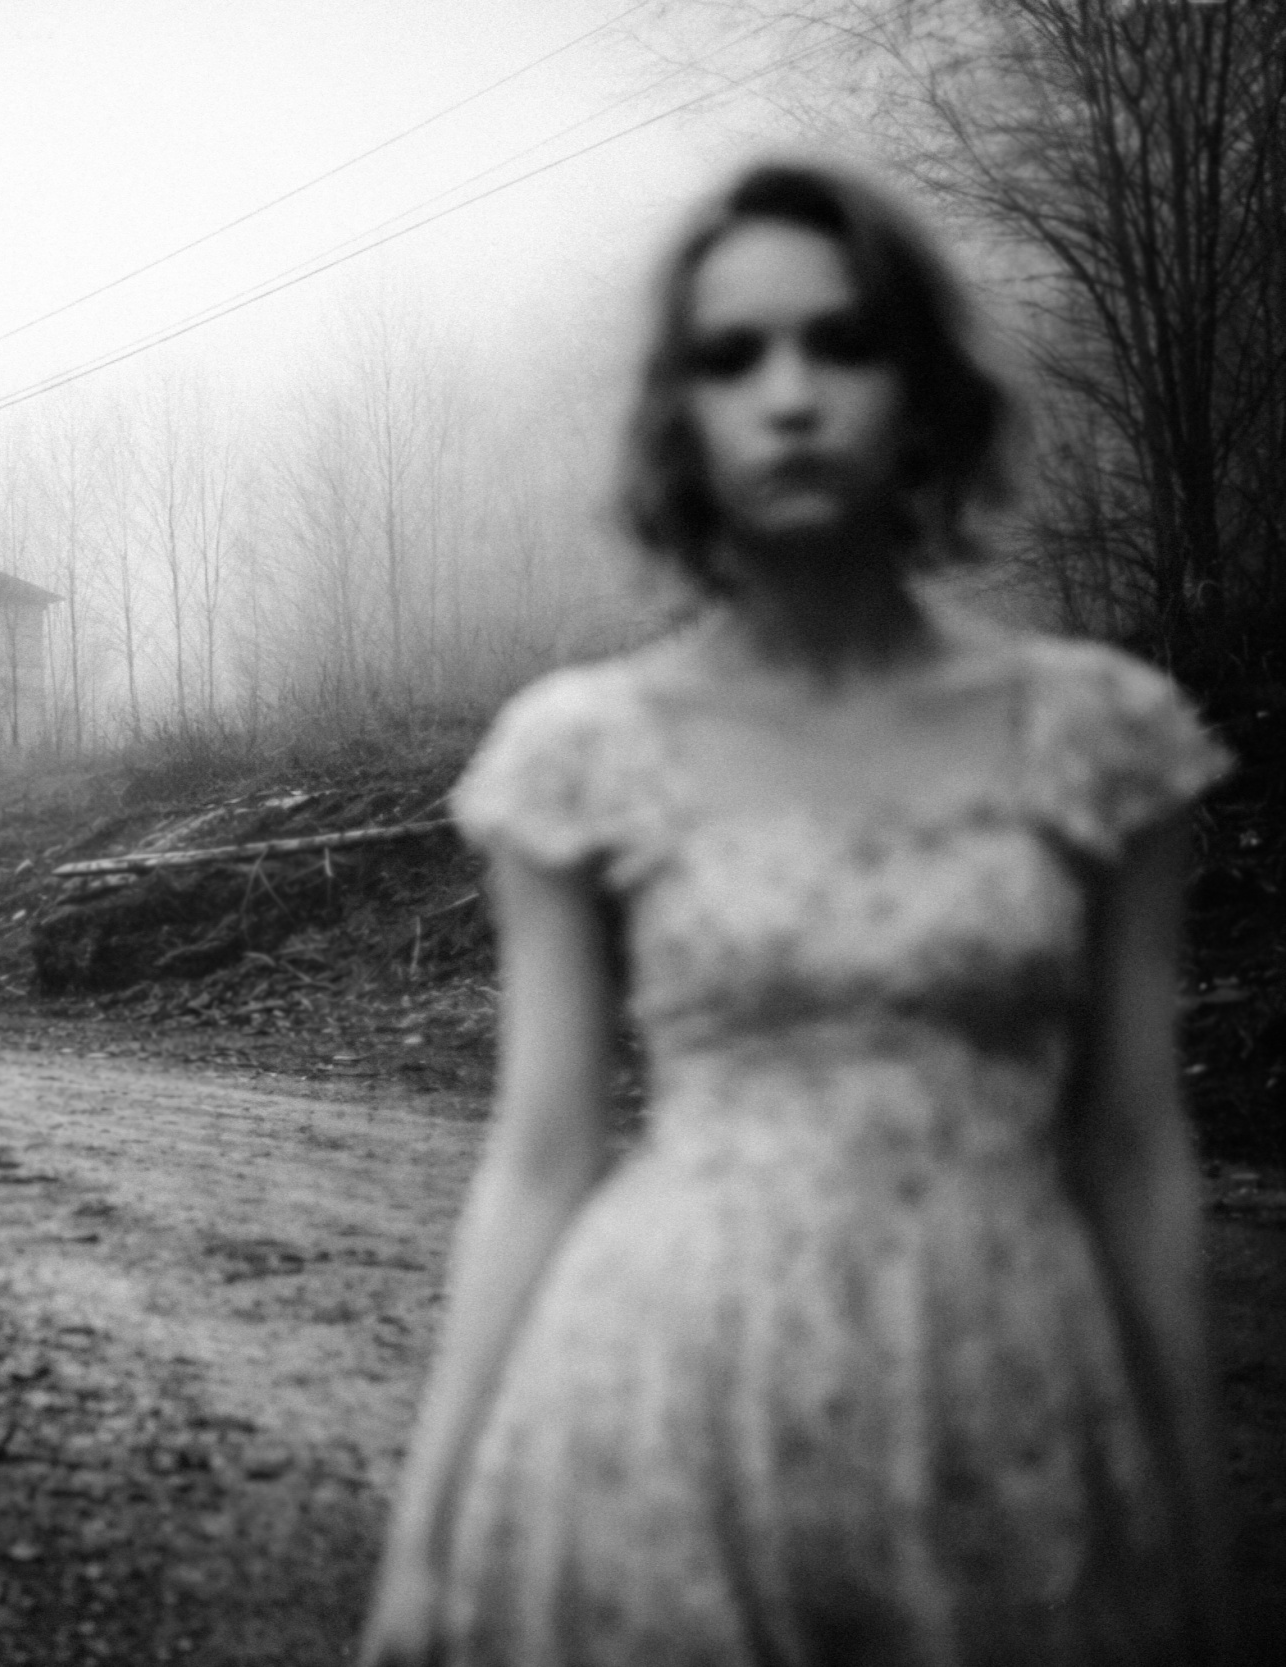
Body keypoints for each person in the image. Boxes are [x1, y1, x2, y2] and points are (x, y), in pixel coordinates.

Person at [361, 161, 1232, 1665]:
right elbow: (542, 1155)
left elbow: (1137, 1149)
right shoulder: (584, 750)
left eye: (842, 342)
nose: (790, 395)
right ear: (679, 416)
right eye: (732, 356)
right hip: (662, 1408)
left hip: (1008, 1407)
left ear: (923, 386)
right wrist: (424, 1546)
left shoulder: (1099, 737)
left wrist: (1208, 1556)